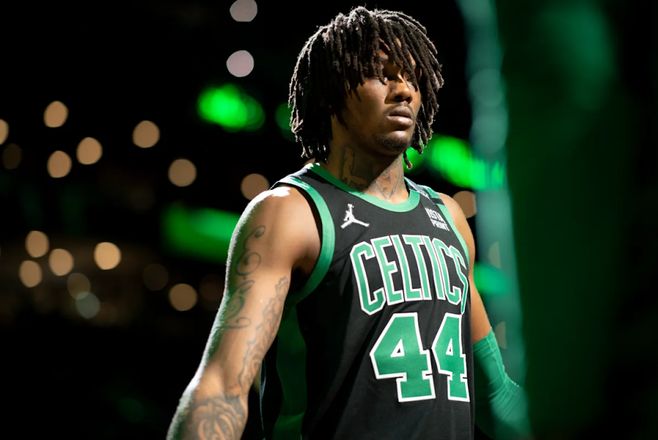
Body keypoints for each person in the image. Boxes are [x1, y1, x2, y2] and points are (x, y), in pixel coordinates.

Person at [167, 5, 530, 440]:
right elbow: (223, 388)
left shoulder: (448, 217)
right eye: (381, 74)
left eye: (412, 76)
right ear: (331, 92)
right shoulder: (291, 212)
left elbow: (495, 394)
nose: (404, 90)